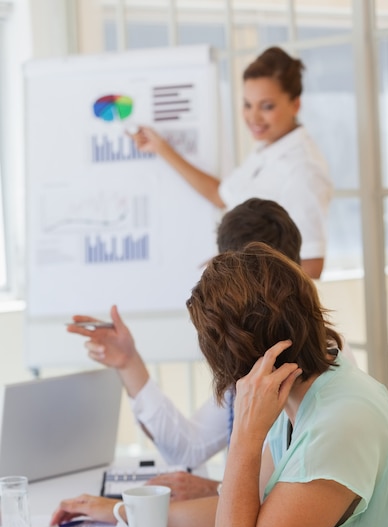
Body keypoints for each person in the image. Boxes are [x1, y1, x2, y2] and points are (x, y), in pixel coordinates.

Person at [53, 243, 388, 527]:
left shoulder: (340, 423)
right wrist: (121, 511)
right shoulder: (304, 392)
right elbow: (243, 511)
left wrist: (245, 435)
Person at [67, 198, 306, 500]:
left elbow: (286, 501)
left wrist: (217, 490)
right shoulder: (255, 356)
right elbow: (189, 448)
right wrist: (129, 363)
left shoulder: (317, 369)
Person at [131, 47, 332, 279]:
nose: (253, 118)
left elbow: (312, 265)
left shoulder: (303, 170)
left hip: (265, 309)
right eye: (248, 104)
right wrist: (161, 148)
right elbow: (221, 194)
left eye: (267, 106)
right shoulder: (265, 150)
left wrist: (239, 273)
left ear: (295, 104)